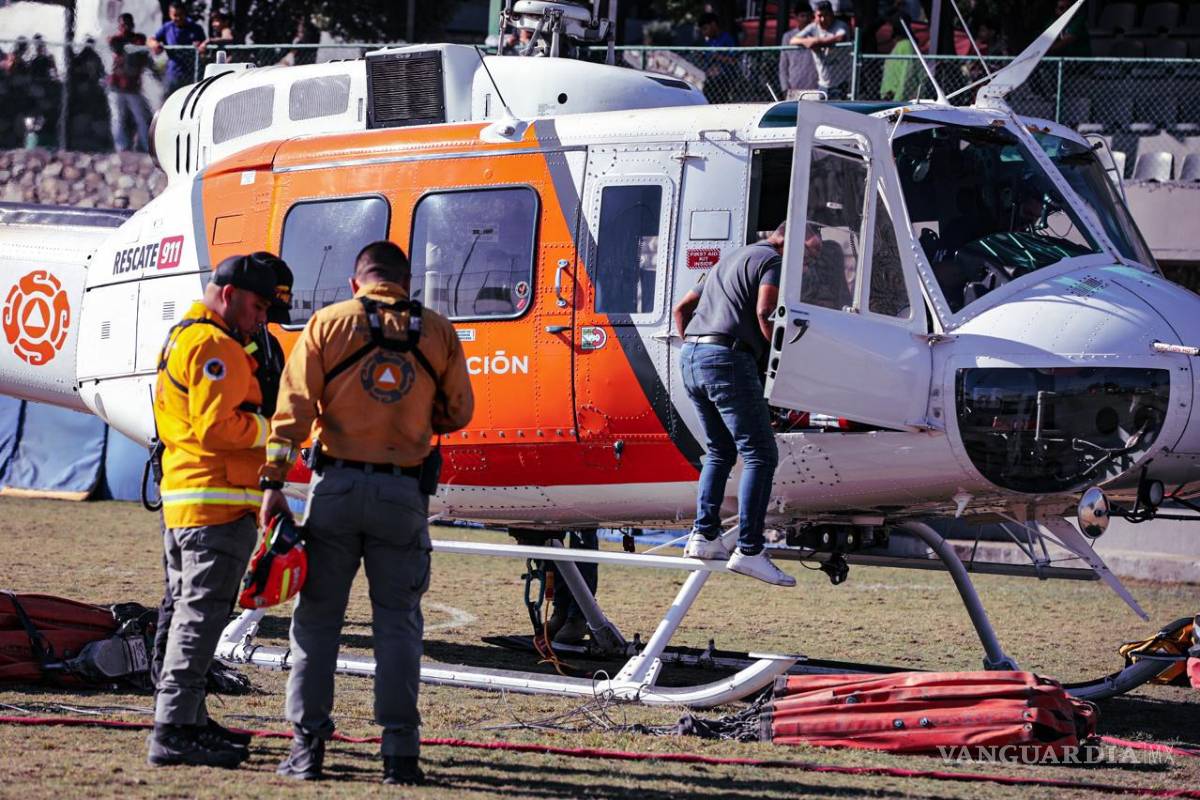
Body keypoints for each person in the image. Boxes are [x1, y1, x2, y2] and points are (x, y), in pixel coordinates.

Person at [259, 241, 474, 784]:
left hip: (334, 489)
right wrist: (410, 420)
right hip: (403, 496)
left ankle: (307, 751)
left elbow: (293, 410)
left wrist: (273, 482)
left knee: (317, 623)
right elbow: (459, 411)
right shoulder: (438, 331)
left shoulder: (328, 324)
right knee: (399, 626)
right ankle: (400, 757)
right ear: (405, 284)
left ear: (357, 283)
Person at [147, 254, 279, 769]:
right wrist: (271, 429)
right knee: (199, 622)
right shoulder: (213, 344)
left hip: (192, 498)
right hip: (214, 502)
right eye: (256, 305)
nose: (260, 318)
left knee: (187, 616)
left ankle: (188, 720)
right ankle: (175, 729)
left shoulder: (187, 337)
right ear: (227, 294)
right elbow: (216, 427)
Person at [671, 224, 795, 587]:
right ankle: (750, 549)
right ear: (789, 236)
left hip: (693, 356)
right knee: (761, 454)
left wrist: (697, 348)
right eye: (813, 246)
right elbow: (765, 311)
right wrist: (784, 358)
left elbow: (682, 308)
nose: (813, 256)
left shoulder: (731, 258)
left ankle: (704, 536)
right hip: (727, 358)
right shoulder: (773, 260)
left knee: (719, 451)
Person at [107, 13, 153, 152]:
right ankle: (121, 147)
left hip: (132, 86)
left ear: (132, 25)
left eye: (127, 24)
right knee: (118, 118)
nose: (125, 27)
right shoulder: (116, 39)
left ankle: (146, 147)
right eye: (122, 24)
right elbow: (118, 47)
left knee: (140, 118)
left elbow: (142, 50)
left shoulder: (138, 38)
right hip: (116, 85)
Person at [790, 0, 852, 99]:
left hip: (841, 83)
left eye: (826, 15)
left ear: (832, 14)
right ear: (815, 16)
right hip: (823, 84)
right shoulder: (813, 27)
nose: (823, 19)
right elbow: (793, 40)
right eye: (819, 16)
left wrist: (815, 41)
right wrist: (808, 42)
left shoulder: (840, 26)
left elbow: (840, 38)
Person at [150, 2, 207, 96]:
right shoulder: (167, 27)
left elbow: (204, 48)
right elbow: (151, 40)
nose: (178, 18)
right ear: (170, 14)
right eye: (175, 15)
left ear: (185, 13)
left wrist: (201, 48)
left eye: (181, 15)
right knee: (168, 100)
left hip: (193, 74)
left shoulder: (196, 28)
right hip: (173, 74)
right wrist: (155, 45)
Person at [780, 3, 819, 100]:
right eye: (802, 16)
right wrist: (785, 88)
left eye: (808, 16)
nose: (805, 19)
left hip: (816, 88)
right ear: (796, 17)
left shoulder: (818, 36)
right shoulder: (788, 37)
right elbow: (783, 65)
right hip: (794, 88)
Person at [697, 12, 738, 104]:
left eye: (705, 29)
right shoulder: (708, 43)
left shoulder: (727, 39)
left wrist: (717, 57)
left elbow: (734, 61)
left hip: (725, 79)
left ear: (713, 25)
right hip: (710, 81)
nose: (704, 33)